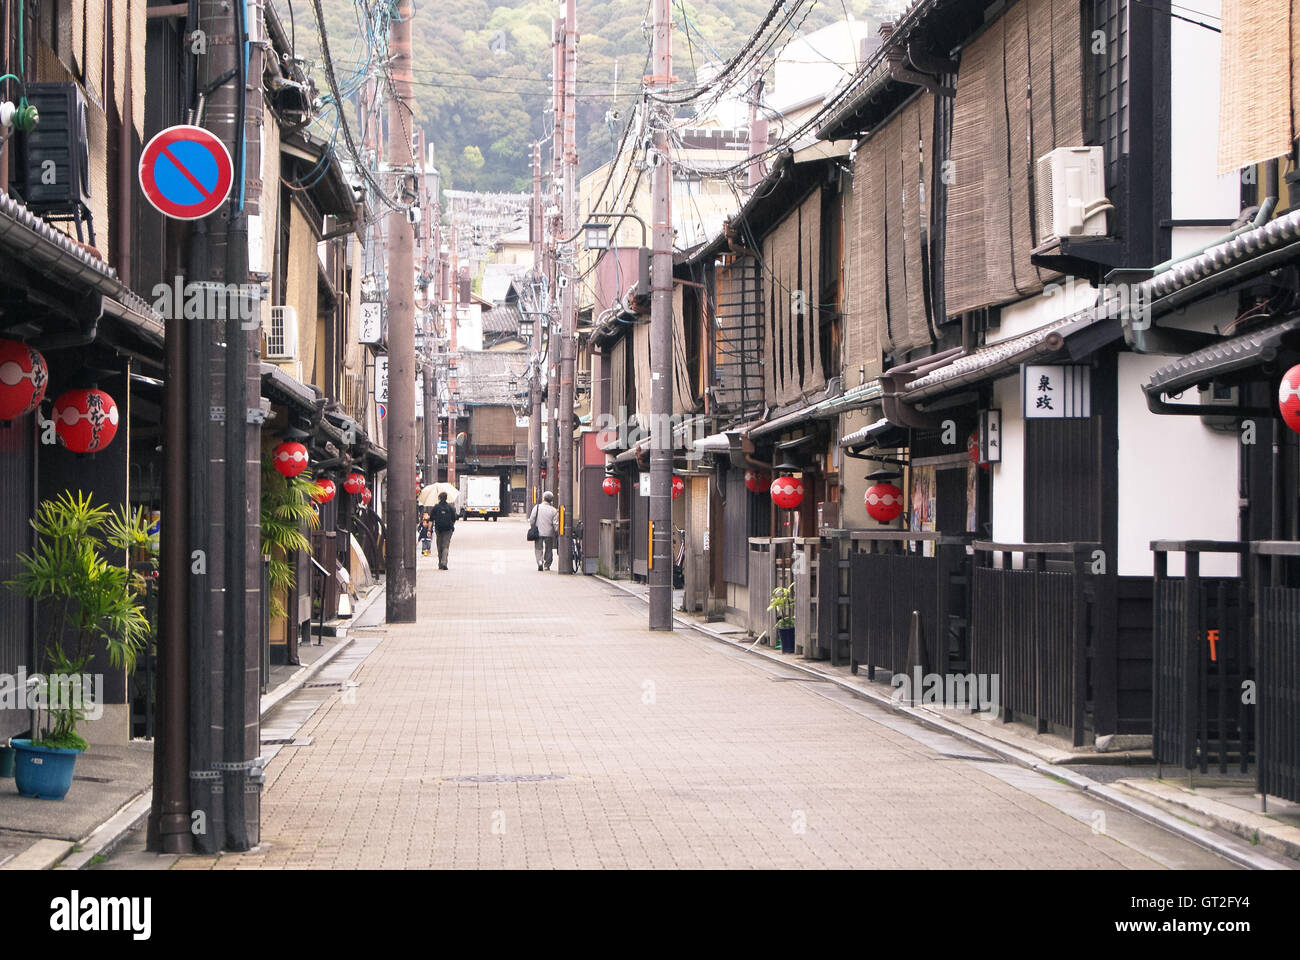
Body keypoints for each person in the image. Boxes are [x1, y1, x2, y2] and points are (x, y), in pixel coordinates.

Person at [529, 491, 560, 571]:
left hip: (538, 532)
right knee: (549, 549)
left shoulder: (537, 507)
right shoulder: (553, 510)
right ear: (551, 500)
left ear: (543, 498)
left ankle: (539, 562)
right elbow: (555, 523)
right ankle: (547, 565)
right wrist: (557, 531)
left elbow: (532, 519)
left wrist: (533, 526)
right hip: (549, 533)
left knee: (538, 548)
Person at [430, 492, 457, 570]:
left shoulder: (436, 507)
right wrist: (451, 525)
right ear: (446, 498)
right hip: (448, 529)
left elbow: (431, 519)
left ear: (439, 498)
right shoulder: (450, 507)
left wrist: (429, 529)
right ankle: (444, 562)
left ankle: (440, 563)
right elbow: (454, 518)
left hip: (438, 529)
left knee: (439, 545)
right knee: (445, 546)